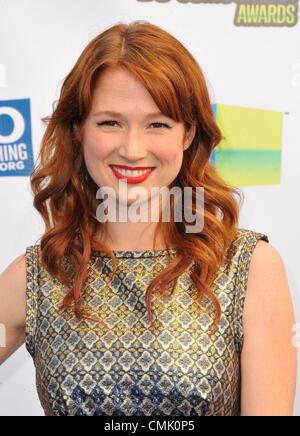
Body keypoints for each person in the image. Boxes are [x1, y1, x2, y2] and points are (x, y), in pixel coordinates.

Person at [0, 20, 296, 416]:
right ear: (78, 130)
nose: (133, 149)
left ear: (188, 134)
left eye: (158, 124)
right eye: (110, 122)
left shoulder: (248, 268)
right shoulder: (38, 275)